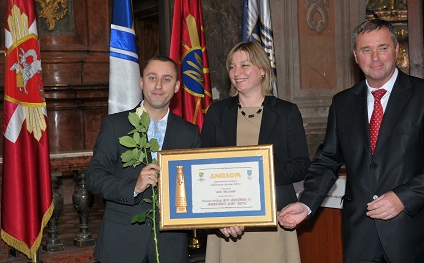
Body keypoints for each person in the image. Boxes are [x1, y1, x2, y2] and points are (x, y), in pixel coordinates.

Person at [278, 19, 424, 263]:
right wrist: (306, 205)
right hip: (360, 237)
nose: (375, 57)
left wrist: (403, 197)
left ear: (397, 50)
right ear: (356, 56)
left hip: (411, 233)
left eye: (383, 48)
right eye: (366, 50)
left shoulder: (420, 95)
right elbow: (327, 160)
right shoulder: (343, 103)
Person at [201, 41, 310, 263]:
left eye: (244, 65)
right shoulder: (217, 112)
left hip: (272, 220)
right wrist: (217, 218)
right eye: (232, 67)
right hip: (227, 222)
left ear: (262, 70)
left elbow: (301, 165)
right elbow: (203, 167)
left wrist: (258, 176)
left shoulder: (287, 112)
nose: (236, 72)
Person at [85, 56, 201, 263]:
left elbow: (197, 188)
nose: (158, 85)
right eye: (152, 77)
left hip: (170, 247)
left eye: (166, 79)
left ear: (176, 87)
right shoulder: (115, 125)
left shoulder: (189, 133)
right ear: (141, 82)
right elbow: (94, 178)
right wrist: (134, 187)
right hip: (121, 244)